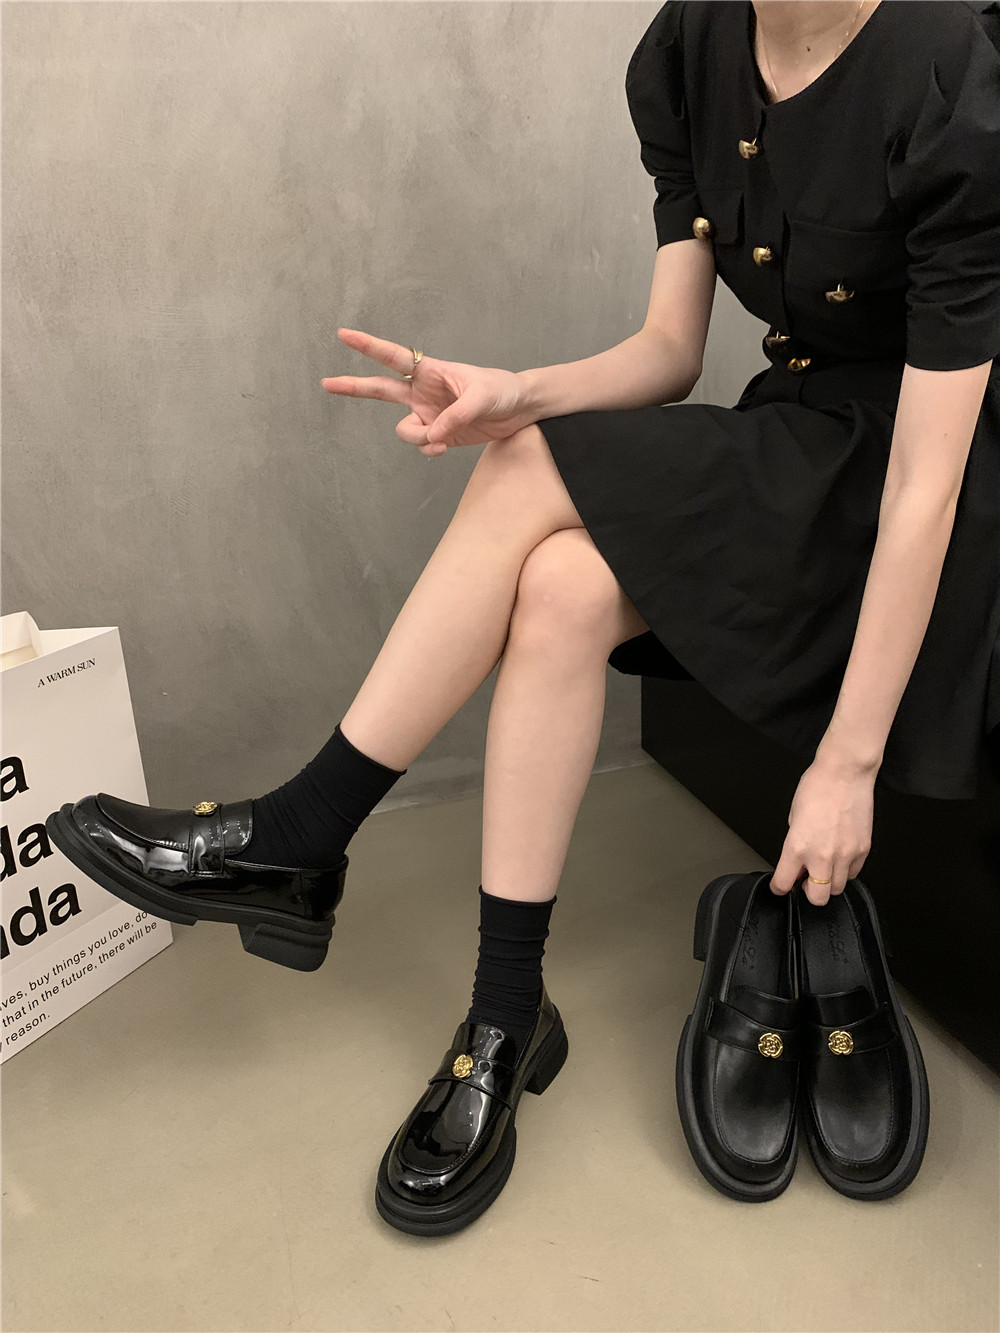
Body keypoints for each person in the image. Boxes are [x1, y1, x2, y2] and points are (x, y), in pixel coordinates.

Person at [47, 0, 1000, 1234]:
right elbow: (669, 349)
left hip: (936, 482)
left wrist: (847, 762)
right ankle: (505, 1014)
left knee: (527, 468)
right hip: (804, 438)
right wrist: (519, 390)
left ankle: (302, 834)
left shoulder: (949, 72)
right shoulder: (691, 47)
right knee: (556, 584)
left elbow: (927, 481)